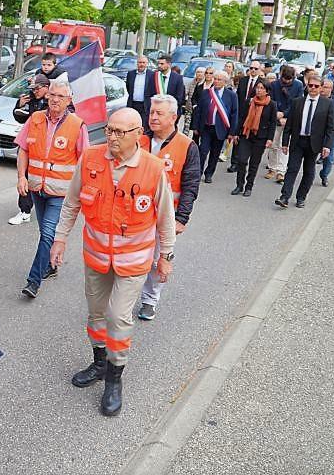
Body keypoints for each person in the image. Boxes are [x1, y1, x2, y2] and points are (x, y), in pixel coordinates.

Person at [50, 107, 175, 417]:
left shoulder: (153, 168)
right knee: (96, 314)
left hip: (133, 263)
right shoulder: (90, 159)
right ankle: (99, 363)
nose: (113, 137)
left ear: (137, 135)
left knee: (118, 316)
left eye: (121, 132)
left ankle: (114, 380)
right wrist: (60, 238)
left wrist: (166, 257)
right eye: (109, 130)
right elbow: (71, 204)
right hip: (95, 257)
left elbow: (165, 219)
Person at [15, 80, 88, 298]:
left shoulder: (77, 125)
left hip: (61, 193)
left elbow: (85, 160)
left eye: (61, 97)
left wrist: (82, 193)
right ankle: (50, 265)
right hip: (37, 188)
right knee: (45, 233)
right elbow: (23, 150)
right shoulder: (35, 119)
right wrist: (21, 177)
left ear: (69, 101)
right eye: (53, 95)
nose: (55, 100)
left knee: (48, 233)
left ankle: (33, 281)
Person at [136, 95, 200, 321]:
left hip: (166, 217)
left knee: (157, 261)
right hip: (136, 213)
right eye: (152, 112)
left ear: (173, 117)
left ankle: (149, 300)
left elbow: (191, 185)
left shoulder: (186, 146)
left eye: (159, 113)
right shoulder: (140, 141)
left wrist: (182, 218)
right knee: (132, 257)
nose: (153, 117)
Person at [275, 74, 334, 209]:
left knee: (309, 172)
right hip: (298, 141)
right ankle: (284, 197)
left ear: (320, 88)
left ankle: (301, 197)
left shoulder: (327, 104)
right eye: (310, 85)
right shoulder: (298, 102)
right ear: (307, 86)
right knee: (292, 169)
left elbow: (330, 128)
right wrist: (285, 143)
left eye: (316, 86)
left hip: (314, 143)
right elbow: (289, 125)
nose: (313, 88)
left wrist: (327, 146)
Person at [8, 74, 51, 226]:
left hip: (47, 149)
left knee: (46, 179)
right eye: (33, 89)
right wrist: (18, 106)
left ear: (47, 87)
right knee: (24, 176)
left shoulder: (53, 102)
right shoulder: (31, 99)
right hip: (30, 144)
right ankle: (25, 211)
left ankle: (49, 209)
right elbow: (21, 118)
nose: (35, 92)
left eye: (37, 88)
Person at [231, 81, 276, 197]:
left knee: (254, 164)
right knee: (241, 160)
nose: (259, 90)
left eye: (262, 88)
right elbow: (241, 118)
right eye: (258, 88)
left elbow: (272, 123)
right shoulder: (249, 102)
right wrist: (236, 133)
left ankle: (249, 186)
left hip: (261, 137)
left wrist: (270, 139)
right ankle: (239, 185)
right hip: (246, 135)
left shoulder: (271, 105)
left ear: (267, 91)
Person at [192, 70, 238, 184]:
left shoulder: (231, 95)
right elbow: (199, 111)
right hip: (206, 127)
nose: (216, 81)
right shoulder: (206, 93)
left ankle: (209, 173)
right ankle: (198, 173)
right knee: (202, 151)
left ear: (225, 82)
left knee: (215, 153)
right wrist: (195, 126)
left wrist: (232, 132)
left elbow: (234, 113)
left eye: (219, 79)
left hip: (221, 129)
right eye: (215, 79)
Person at [266, 65, 304, 183]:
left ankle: (281, 171)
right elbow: (271, 100)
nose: (286, 81)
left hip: (289, 119)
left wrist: (285, 114)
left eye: (289, 79)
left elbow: (297, 103)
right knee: (273, 144)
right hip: (276, 117)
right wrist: (277, 113)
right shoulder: (274, 85)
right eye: (284, 79)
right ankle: (272, 167)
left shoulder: (298, 85)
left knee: (284, 145)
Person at [228, 60, 264, 174]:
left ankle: (243, 161)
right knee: (237, 136)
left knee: (246, 138)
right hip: (241, 113)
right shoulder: (243, 81)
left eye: (255, 69)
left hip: (253, 114)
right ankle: (234, 162)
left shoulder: (262, 83)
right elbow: (238, 97)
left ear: (259, 70)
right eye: (251, 68)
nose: (253, 70)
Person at [125, 55, 152, 120]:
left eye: (143, 62)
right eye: (140, 62)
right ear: (137, 63)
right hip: (132, 104)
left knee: (143, 126)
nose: (141, 64)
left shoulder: (152, 75)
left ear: (147, 64)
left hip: (145, 105)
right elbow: (128, 87)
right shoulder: (131, 74)